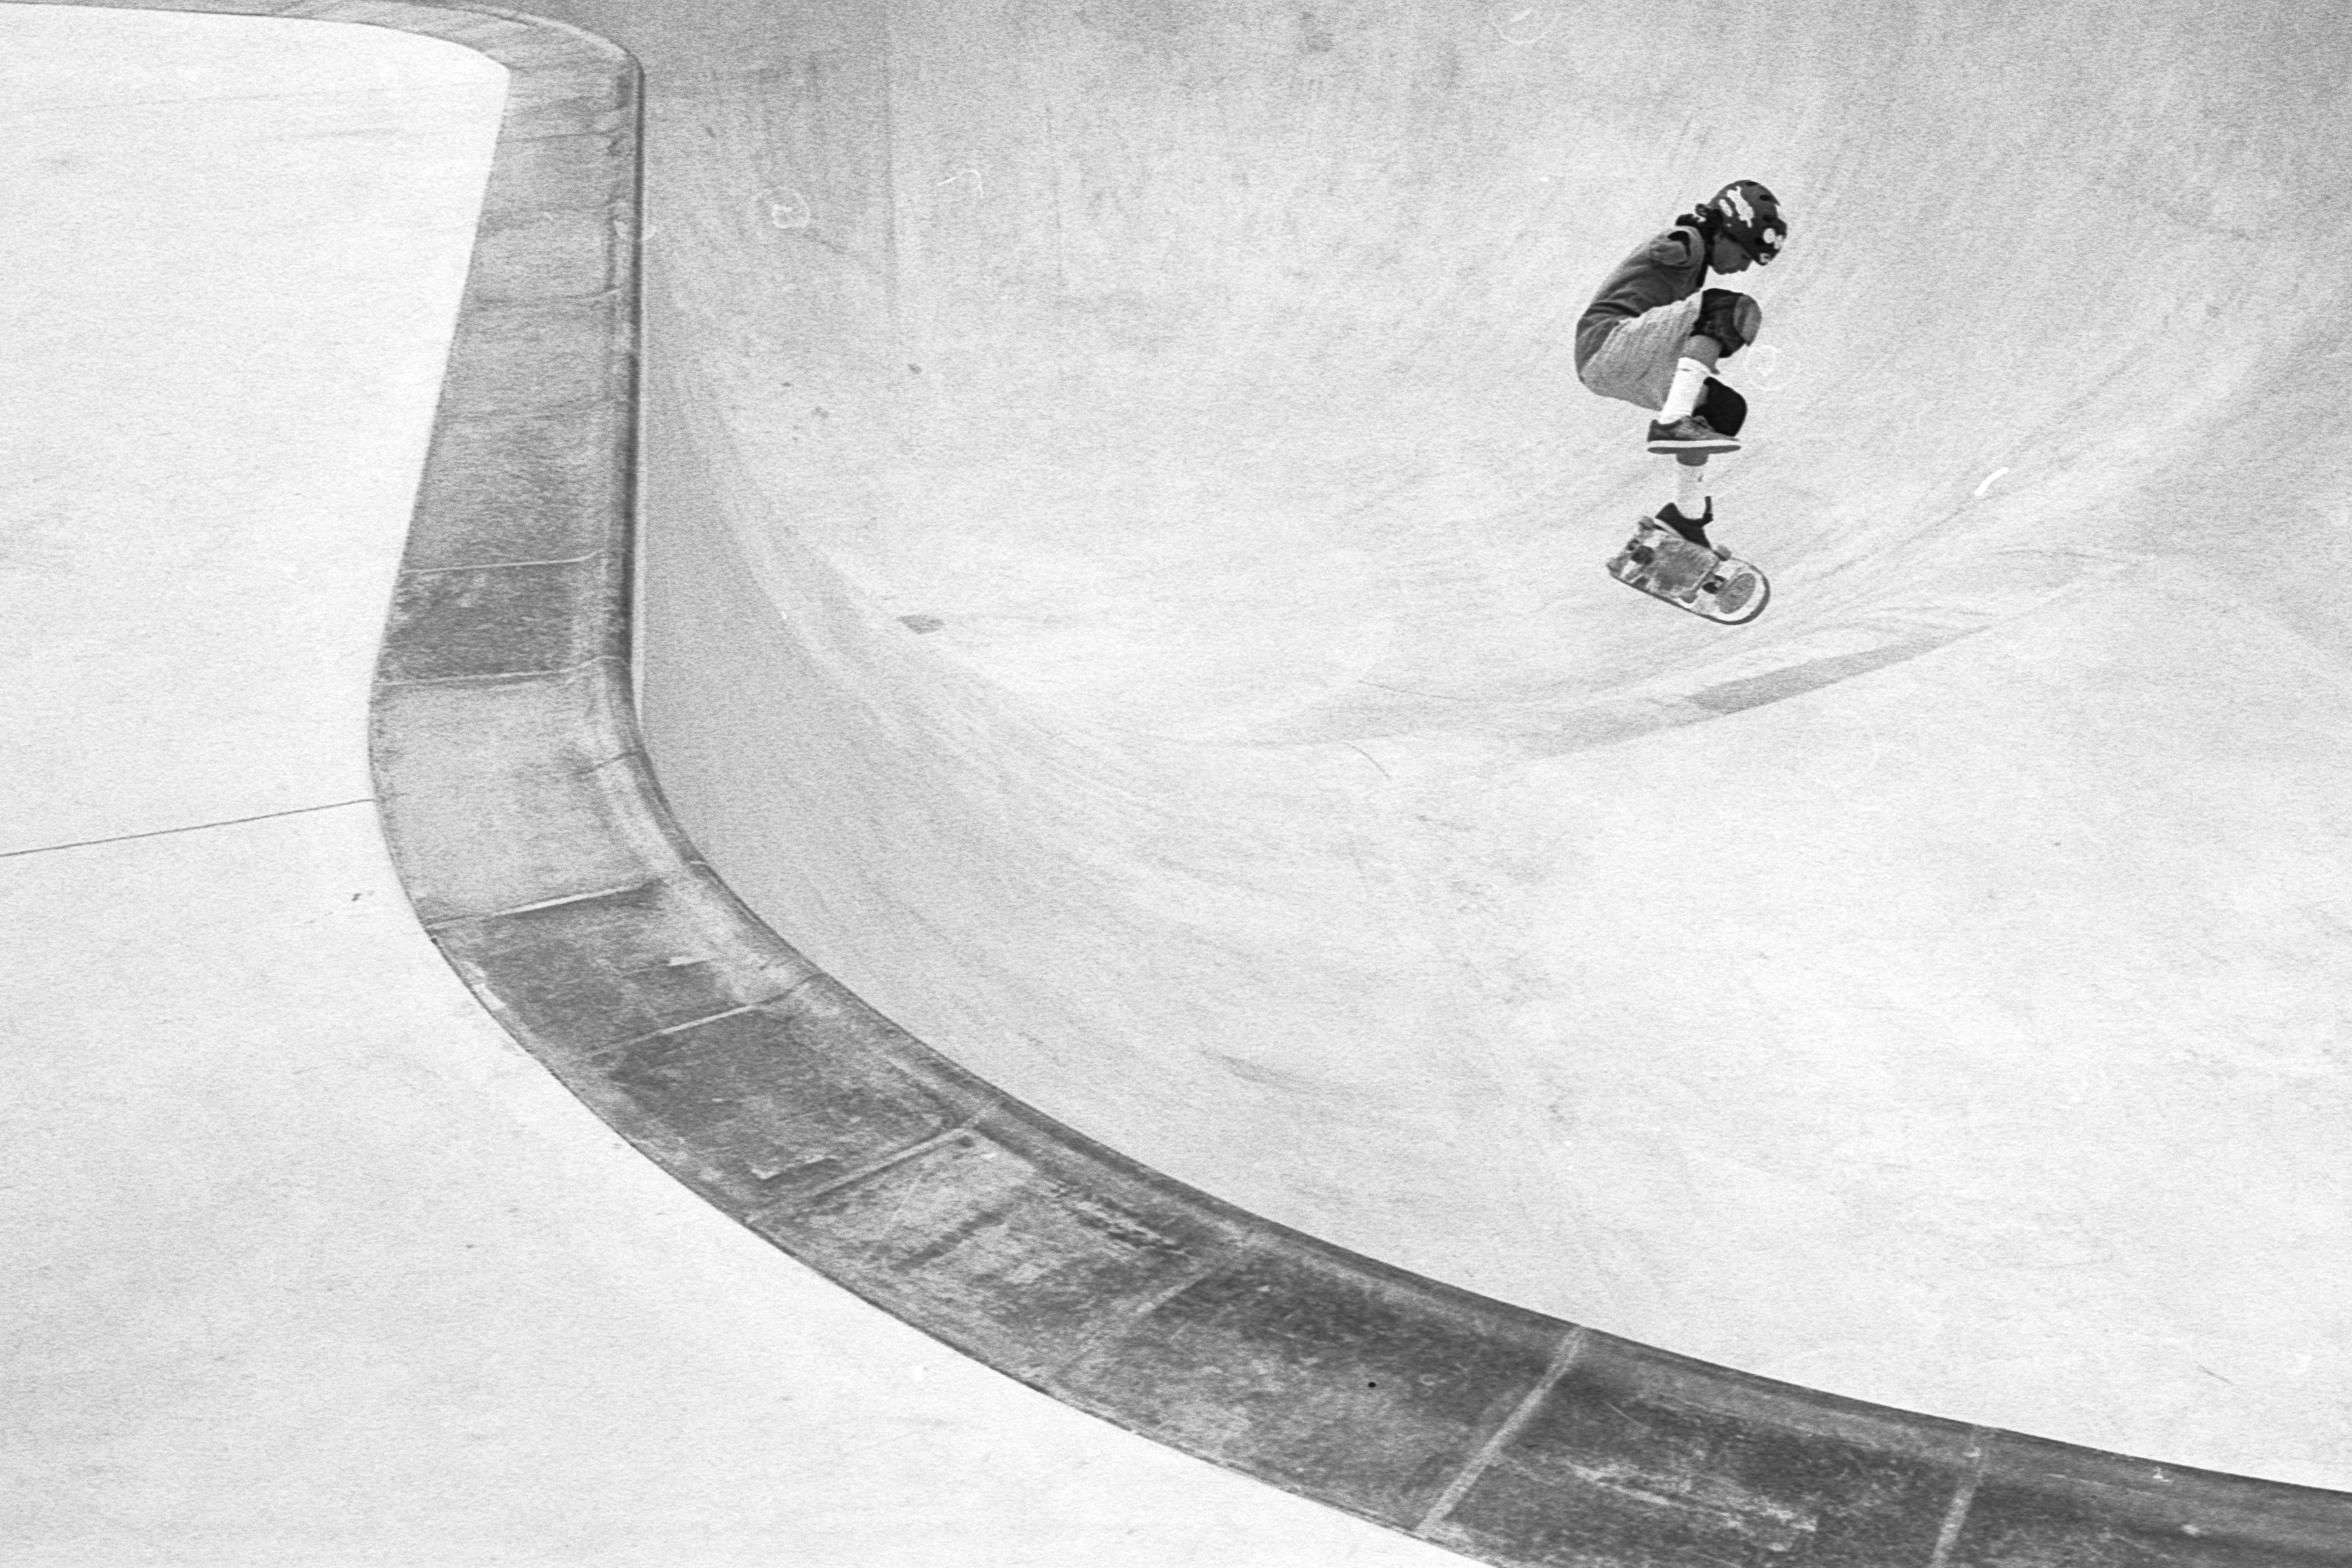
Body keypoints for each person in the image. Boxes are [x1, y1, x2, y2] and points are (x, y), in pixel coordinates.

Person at [1575, 180, 1786, 552]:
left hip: (1622, 364)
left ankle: (1684, 518)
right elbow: (1674, 244)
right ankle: (1673, 421)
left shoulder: (1697, 262)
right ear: (1724, 233)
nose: (1741, 268)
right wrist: (1674, 248)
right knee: (1730, 308)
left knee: (1725, 409)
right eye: (1743, 256)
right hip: (1609, 341)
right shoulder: (1691, 240)